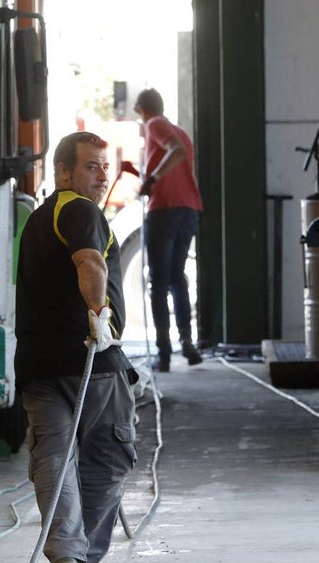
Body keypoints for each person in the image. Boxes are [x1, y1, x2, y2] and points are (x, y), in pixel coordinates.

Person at [15, 131, 138, 563]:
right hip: (91, 362)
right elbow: (90, 262)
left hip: (39, 366)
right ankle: (83, 558)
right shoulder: (81, 210)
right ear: (64, 172)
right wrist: (100, 314)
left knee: (54, 459)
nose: (102, 175)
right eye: (91, 166)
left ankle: (66, 555)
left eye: (106, 166)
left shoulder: (39, 218)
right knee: (107, 456)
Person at [133, 88, 204, 372]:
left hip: (165, 210)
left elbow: (176, 150)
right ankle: (187, 342)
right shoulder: (181, 131)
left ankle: (163, 355)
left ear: (142, 111)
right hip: (188, 210)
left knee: (159, 282)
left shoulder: (155, 124)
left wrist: (152, 179)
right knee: (177, 277)